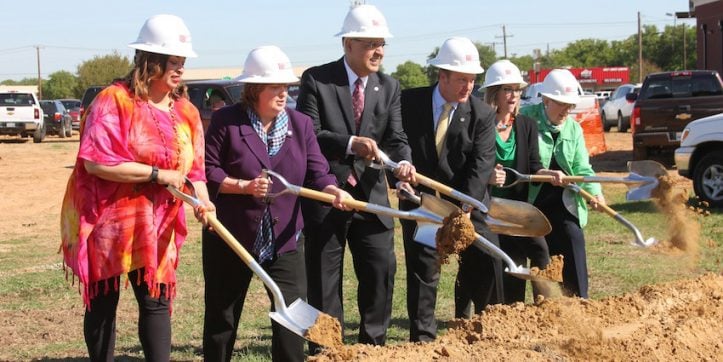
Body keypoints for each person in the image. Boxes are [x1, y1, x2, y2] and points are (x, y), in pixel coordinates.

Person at [59, 14, 214, 361]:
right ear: (150, 60)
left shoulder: (186, 112)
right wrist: (157, 175)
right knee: (103, 304)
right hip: (109, 223)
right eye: (173, 62)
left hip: (158, 226)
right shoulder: (114, 101)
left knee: (156, 302)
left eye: (182, 63)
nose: (180, 70)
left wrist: (203, 202)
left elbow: (197, 172)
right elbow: (96, 162)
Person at [202, 45, 351, 362]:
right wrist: (243, 187)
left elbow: (317, 171)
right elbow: (209, 170)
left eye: (286, 87)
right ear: (253, 89)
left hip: (284, 238)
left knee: (291, 318)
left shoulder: (300, 125)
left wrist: (333, 189)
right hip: (232, 236)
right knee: (223, 318)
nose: (284, 94)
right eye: (275, 87)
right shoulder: (226, 121)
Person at [296, 4, 415, 350]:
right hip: (327, 195)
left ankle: (371, 348)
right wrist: (350, 144)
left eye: (382, 43)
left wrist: (404, 164)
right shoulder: (317, 80)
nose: (378, 51)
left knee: (380, 273)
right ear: (348, 44)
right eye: (370, 43)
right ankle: (326, 350)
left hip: (372, 198)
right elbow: (310, 133)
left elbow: (396, 138)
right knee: (323, 280)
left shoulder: (389, 87)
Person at [397, 37, 497, 339]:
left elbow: (481, 165)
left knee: (486, 258)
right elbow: (397, 140)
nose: (468, 86)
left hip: (466, 201)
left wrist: (463, 210)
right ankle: (423, 339)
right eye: (462, 79)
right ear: (442, 76)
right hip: (421, 199)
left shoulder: (482, 114)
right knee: (424, 268)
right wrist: (401, 174)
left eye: (473, 80)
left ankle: (482, 327)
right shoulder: (408, 103)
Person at [481, 59, 566, 303]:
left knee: (540, 251)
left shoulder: (526, 125)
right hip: (490, 208)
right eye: (507, 89)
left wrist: (548, 175)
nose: (513, 95)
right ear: (494, 93)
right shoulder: (481, 125)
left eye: (517, 90)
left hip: (517, 207)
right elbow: (473, 165)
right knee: (510, 261)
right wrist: (488, 177)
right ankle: (511, 311)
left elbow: (534, 165)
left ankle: (545, 306)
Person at [520, 69, 606, 298]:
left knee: (573, 239)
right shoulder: (526, 119)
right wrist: (544, 172)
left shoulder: (573, 128)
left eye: (570, 105)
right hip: (533, 200)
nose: (567, 110)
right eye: (562, 104)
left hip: (563, 200)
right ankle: (545, 304)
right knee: (542, 253)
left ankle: (579, 300)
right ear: (546, 100)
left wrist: (595, 192)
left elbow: (582, 167)